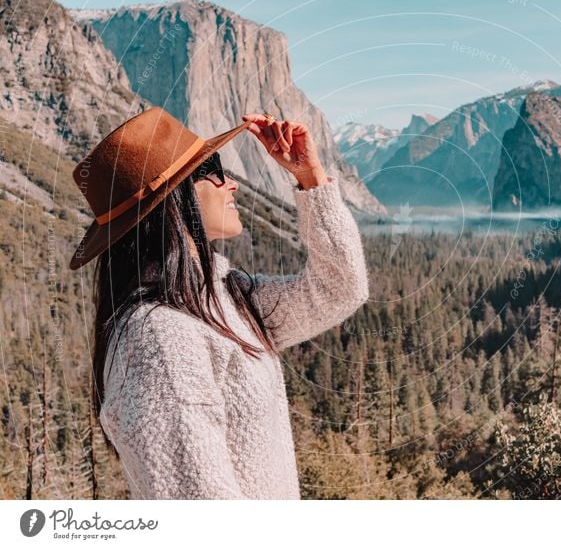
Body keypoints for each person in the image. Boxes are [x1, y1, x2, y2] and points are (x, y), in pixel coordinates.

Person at [70, 107, 369, 499]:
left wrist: (310, 177)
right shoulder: (158, 338)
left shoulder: (226, 295)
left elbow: (340, 288)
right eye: (212, 169)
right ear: (174, 201)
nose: (232, 184)